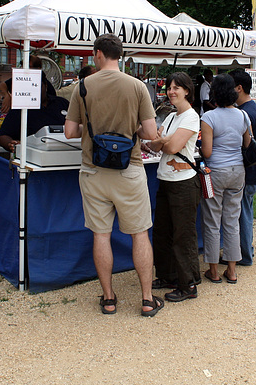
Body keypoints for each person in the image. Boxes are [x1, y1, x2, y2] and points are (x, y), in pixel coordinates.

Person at [64, 33, 163, 317]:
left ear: (97, 54)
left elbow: (70, 131)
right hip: (129, 169)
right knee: (140, 234)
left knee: (101, 235)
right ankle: (146, 299)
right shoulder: (137, 87)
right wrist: (127, 131)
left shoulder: (82, 86)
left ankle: (109, 299)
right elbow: (150, 132)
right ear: (119, 55)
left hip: (93, 171)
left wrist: (93, 133)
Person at [146, 72, 201, 302]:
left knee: (183, 235)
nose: (171, 91)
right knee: (162, 232)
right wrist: (162, 142)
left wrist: (163, 142)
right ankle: (168, 275)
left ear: (187, 90)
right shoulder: (170, 117)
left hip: (184, 183)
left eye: (177, 87)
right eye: (169, 87)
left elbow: (170, 146)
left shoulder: (191, 116)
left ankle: (187, 284)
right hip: (166, 180)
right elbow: (154, 144)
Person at [200, 73, 251, 285]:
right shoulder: (242, 115)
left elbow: (208, 152)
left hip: (216, 172)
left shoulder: (209, 118)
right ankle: (232, 270)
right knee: (232, 220)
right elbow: (247, 144)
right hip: (237, 170)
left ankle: (213, 270)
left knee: (212, 220)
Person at [231, 69, 256, 266]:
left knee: (243, 215)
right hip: (254, 171)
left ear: (239, 88)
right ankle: (246, 250)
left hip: (248, 172)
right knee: (246, 213)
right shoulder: (252, 108)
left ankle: (244, 254)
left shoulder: (245, 113)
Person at [0, 72, 69, 152]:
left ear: (45, 85)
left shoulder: (62, 103)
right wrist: (10, 144)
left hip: (67, 152)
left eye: (38, 86)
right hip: (33, 156)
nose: (36, 91)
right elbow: (3, 136)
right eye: (31, 88)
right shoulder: (21, 108)